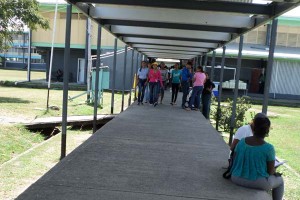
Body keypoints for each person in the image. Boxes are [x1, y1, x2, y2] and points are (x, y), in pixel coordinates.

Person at [231, 115, 284, 200]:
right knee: (280, 181)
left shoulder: (242, 142)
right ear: (267, 131)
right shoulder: (269, 148)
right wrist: (275, 172)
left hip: (236, 177)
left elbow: (235, 159)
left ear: (253, 127)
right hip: (258, 182)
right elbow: (270, 171)